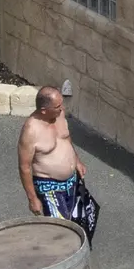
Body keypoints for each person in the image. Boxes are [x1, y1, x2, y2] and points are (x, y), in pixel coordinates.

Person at [17, 85, 98, 241]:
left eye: (61, 104)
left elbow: (66, 138)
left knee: (77, 223)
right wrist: (32, 199)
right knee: (61, 231)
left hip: (72, 181)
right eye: (57, 106)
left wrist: (76, 160)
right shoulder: (31, 131)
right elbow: (24, 167)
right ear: (44, 110)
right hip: (49, 187)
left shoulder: (59, 115)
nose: (62, 108)